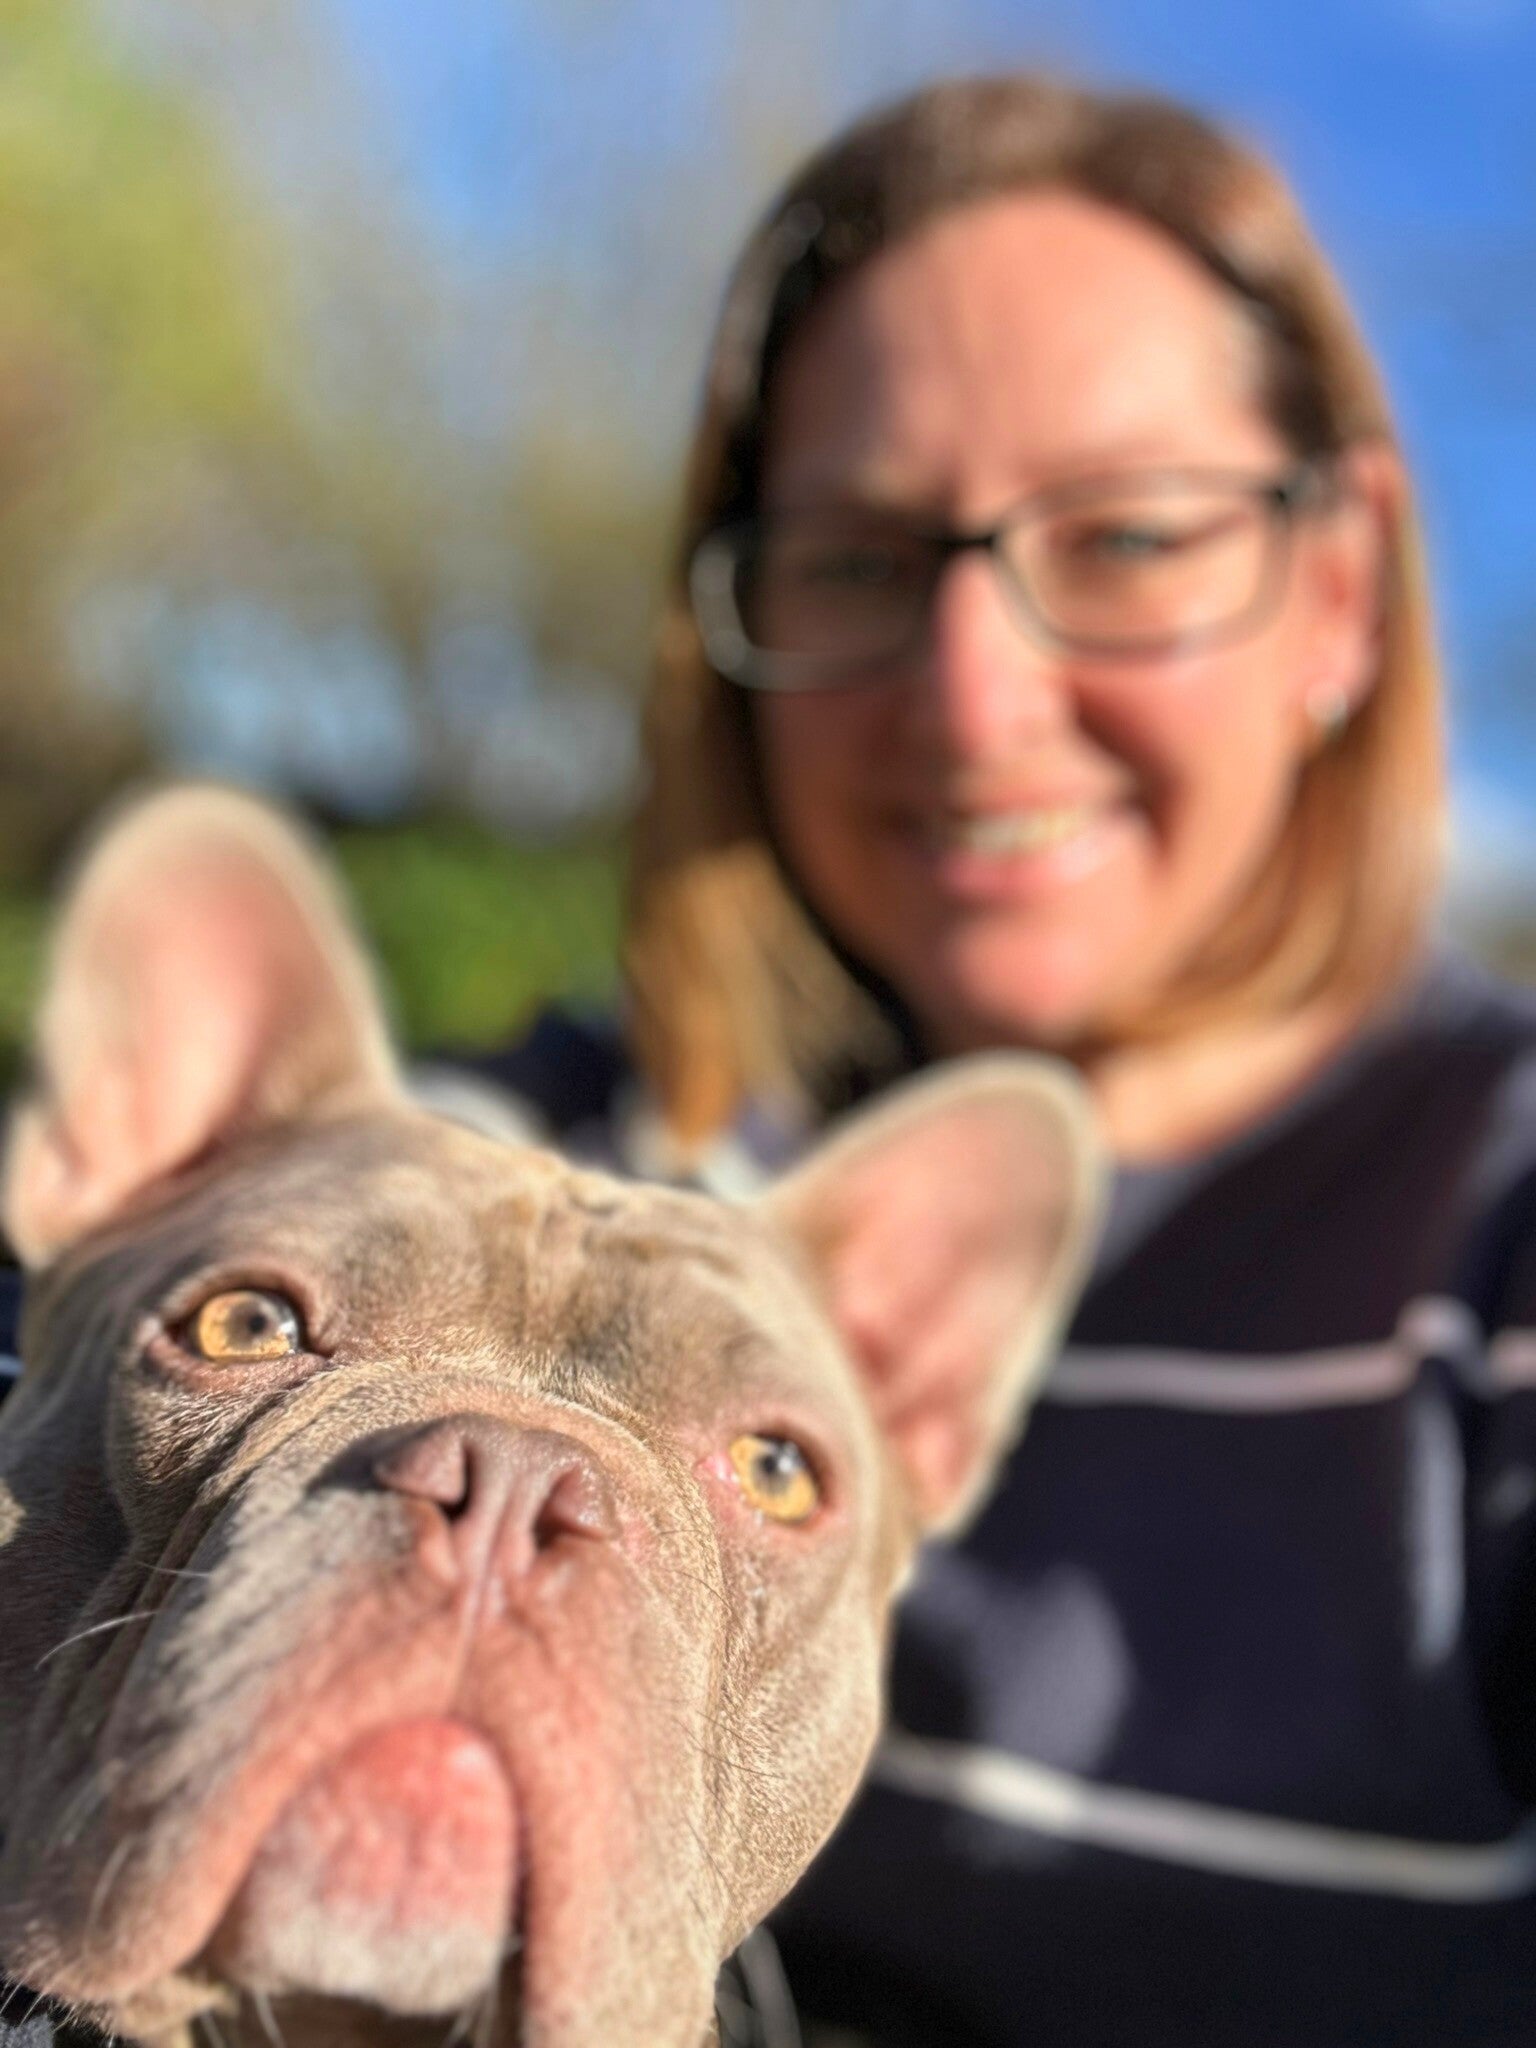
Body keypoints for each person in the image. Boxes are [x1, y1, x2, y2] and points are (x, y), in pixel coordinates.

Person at [470, 73, 1536, 2048]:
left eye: (1126, 537)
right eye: (862, 562)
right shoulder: (582, 1152)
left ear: (1338, 591)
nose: (970, 702)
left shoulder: (1499, 1245)